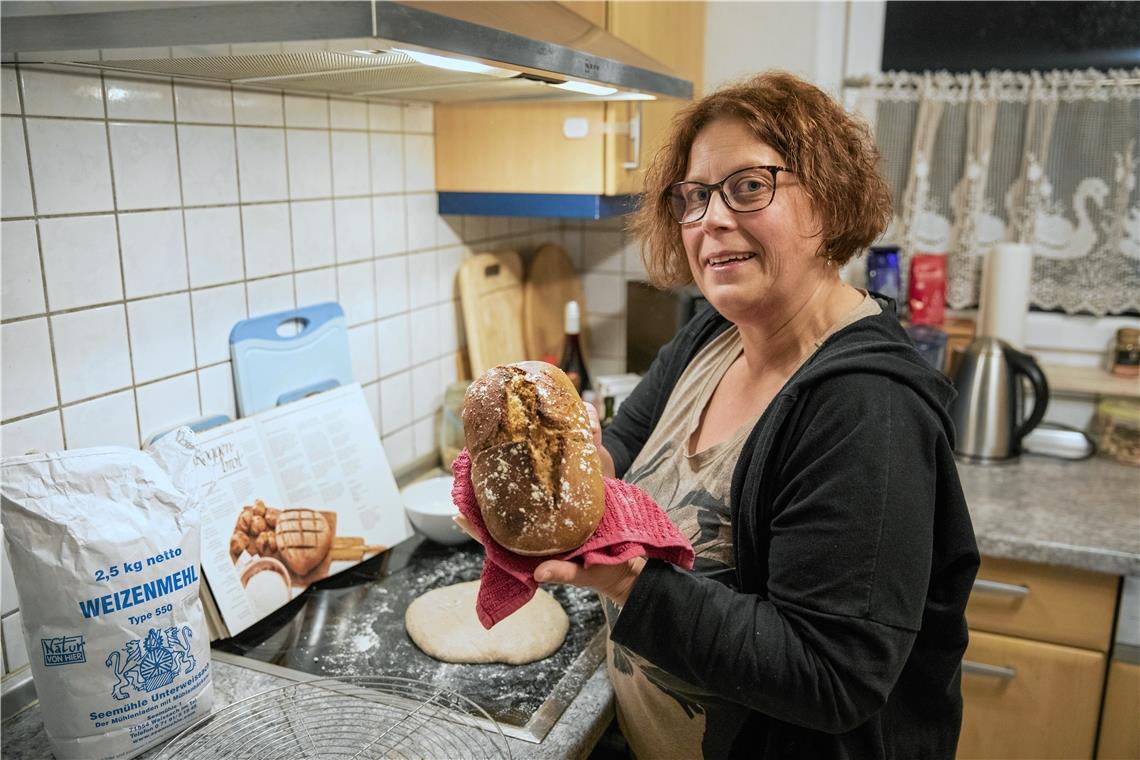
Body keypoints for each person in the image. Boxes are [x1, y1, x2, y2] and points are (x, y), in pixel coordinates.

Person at [533, 71, 980, 759]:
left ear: (828, 202)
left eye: (749, 186)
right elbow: (627, 438)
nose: (710, 218)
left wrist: (625, 577)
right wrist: (580, 463)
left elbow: (832, 676)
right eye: (694, 195)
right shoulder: (711, 335)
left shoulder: (867, 410)